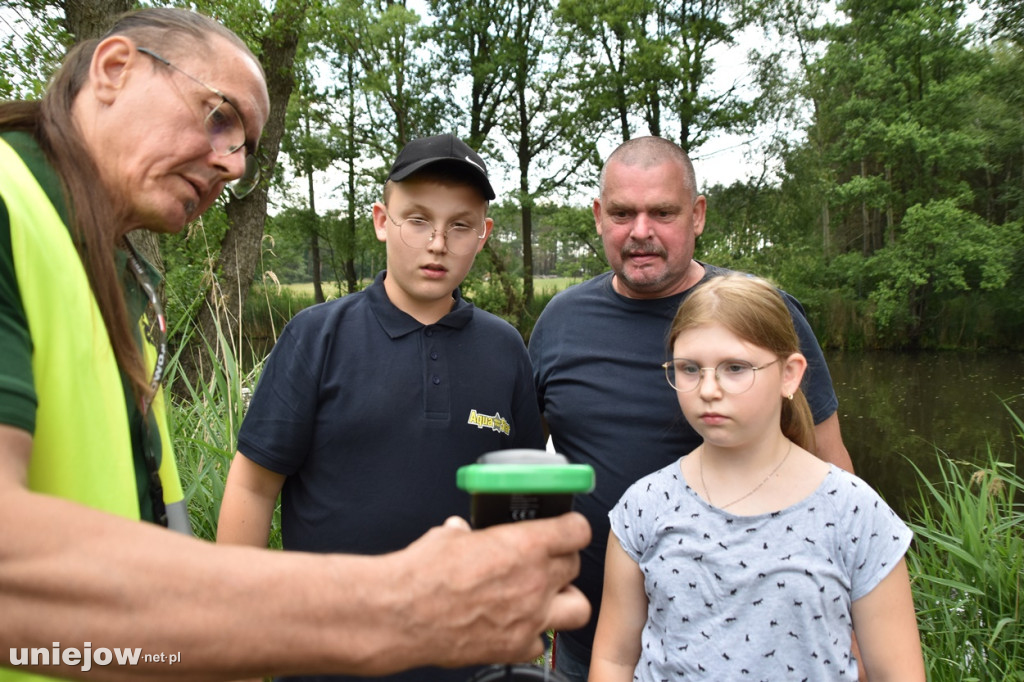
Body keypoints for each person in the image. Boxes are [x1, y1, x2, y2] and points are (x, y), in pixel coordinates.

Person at [0, 10, 589, 682]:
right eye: (218, 116)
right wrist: (382, 613)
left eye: (245, 143)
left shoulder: (117, 273)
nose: (232, 162)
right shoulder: (8, 206)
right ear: (113, 69)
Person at [216, 133, 546, 682]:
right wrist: (239, 638)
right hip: (328, 655)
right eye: (417, 219)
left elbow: (522, 504)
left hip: (469, 658)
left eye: (460, 225)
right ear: (381, 220)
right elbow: (253, 485)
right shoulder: (317, 336)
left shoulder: (505, 348)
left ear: (483, 235)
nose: (437, 242)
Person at [528, 135, 855, 680]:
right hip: (588, 645)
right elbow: (526, 467)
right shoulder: (560, 323)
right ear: (598, 216)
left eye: (662, 212)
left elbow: (830, 466)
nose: (640, 232)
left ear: (697, 214)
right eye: (622, 212)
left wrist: (848, 624)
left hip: (740, 645)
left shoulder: (759, 316)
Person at [589, 273, 925, 681]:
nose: (708, 389)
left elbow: (896, 672)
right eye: (690, 368)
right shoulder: (643, 506)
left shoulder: (856, 513)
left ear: (790, 374)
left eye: (735, 368)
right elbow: (615, 661)